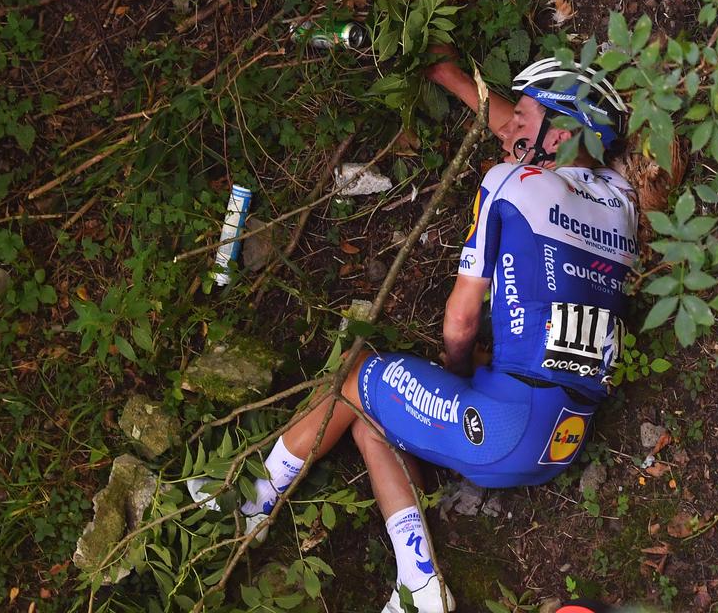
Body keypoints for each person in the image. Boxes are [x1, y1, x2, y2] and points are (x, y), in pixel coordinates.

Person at [186, 50, 639, 613]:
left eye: (520, 118)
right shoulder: (621, 205)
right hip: (561, 442)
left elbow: (460, 318)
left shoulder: (510, 183)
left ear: (562, 133)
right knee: (374, 425)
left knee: (356, 380)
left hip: (501, 426)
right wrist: (449, 72)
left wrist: (460, 374)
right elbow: (534, 136)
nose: (505, 131)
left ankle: (252, 501)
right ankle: (420, 583)